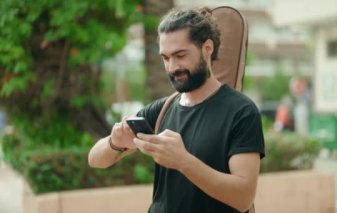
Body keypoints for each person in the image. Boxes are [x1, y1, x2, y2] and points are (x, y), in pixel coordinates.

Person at [88, 7, 265, 213]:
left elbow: (243, 197)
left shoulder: (241, 111)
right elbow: (95, 159)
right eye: (165, 58)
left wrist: (183, 161)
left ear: (207, 48)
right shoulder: (162, 109)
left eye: (180, 55)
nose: (172, 67)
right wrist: (115, 142)